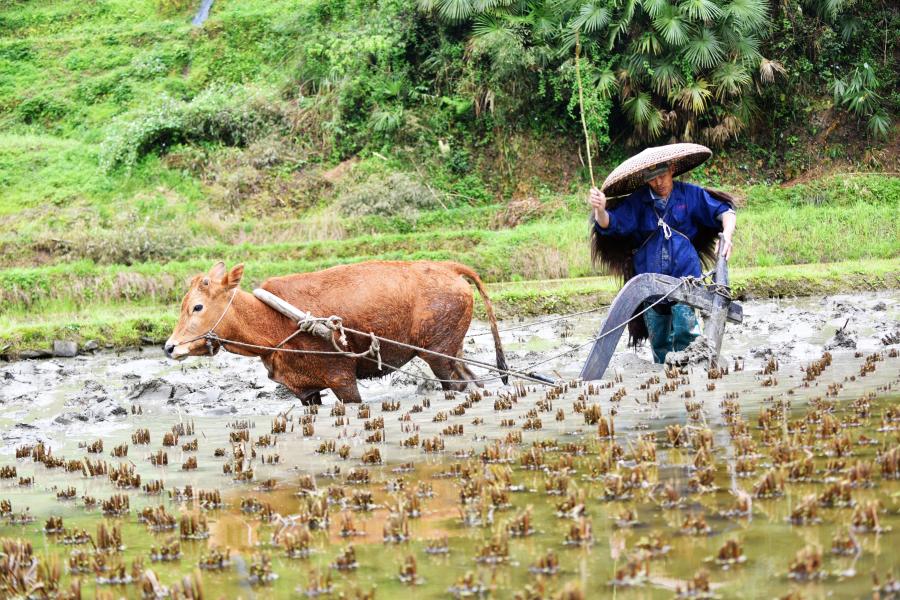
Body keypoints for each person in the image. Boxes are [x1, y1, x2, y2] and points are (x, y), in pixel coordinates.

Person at [589, 161, 736, 363]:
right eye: (652, 178)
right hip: (650, 285)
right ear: (645, 180)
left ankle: (690, 375)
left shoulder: (690, 195)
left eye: (662, 176)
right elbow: (610, 223)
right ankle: (663, 377)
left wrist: (727, 235)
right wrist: (600, 210)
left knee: (687, 335)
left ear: (672, 170)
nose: (658, 183)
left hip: (686, 279)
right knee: (659, 343)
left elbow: (726, 212)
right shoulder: (637, 202)